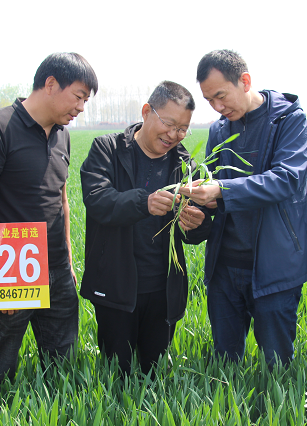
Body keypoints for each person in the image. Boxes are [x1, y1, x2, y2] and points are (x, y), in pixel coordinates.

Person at [0, 52, 98, 384]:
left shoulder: (62, 134)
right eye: (78, 96)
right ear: (51, 84)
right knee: (0, 368)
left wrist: (67, 259)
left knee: (63, 364)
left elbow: (61, 199)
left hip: (56, 268)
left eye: (85, 100)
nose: (81, 107)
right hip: (13, 267)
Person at [178, 49, 307, 367]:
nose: (217, 106)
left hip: (274, 265)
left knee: (276, 363)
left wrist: (222, 190)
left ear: (245, 81)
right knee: (226, 363)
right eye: (209, 100)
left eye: (221, 96)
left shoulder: (288, 120)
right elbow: (216, 193)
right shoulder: (218, 131)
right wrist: (200, 207)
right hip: (225, 267)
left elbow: (287, 179)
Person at [80, 81, 211, 375]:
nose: (174, 135)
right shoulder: (108, 149)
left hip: (163, 291)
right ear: (146, 112)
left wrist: (198, 224)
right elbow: (97, 199)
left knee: (154, 375)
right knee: (117, 374)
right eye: (169, 124)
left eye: (183, 129)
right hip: (115, 288)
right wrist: (143, 202)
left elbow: (196, 230)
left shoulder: (184, 164)